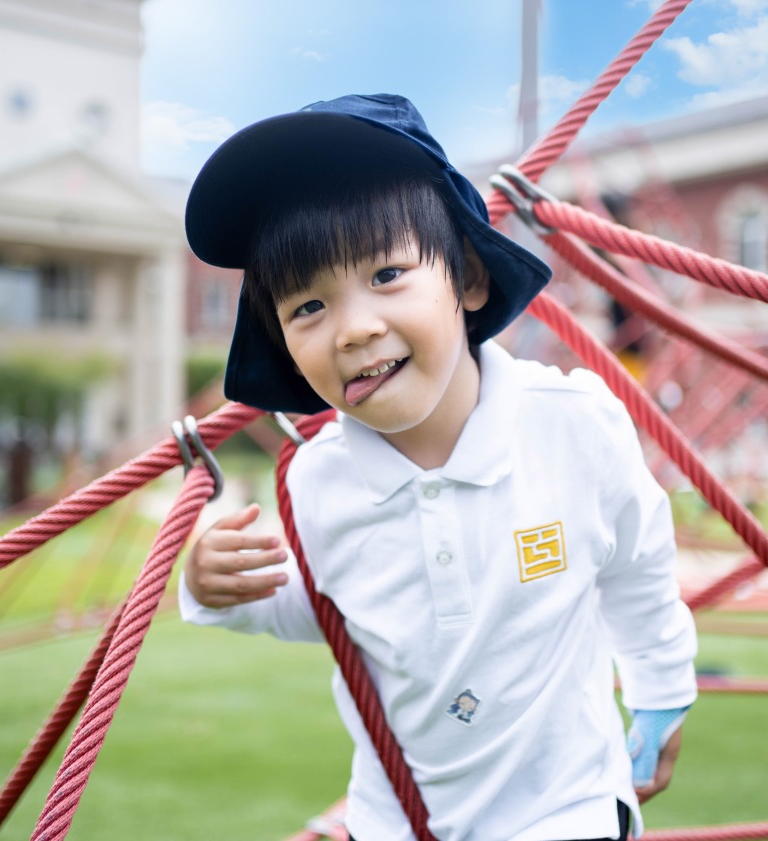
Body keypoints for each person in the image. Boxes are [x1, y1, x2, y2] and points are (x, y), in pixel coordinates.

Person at [181, 93, 697, 841]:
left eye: (387, 274)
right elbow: (333, 608)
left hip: (564, 808)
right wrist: (219, 586)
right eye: (307, 308)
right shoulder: (316, 479)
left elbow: (640, 563)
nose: (355, 328)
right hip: (397, 818)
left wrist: (662, 688)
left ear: (469, 280)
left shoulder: (571, 422)